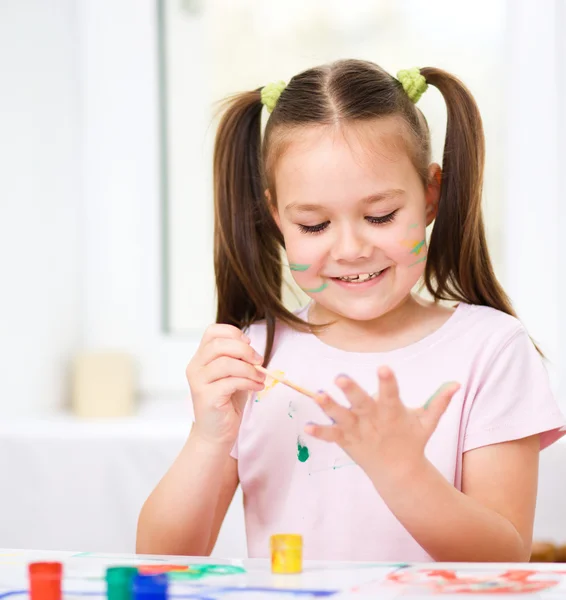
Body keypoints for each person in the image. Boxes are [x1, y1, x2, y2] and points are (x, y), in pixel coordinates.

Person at [137, 60, 565, 562]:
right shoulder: (254, 358)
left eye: (380, 216)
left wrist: (404, 473)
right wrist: (209, 438)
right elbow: (160, 561)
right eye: (314, 225)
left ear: (430, 196)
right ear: (278, 217)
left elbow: (504, 560)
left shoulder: (490, 350)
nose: (350, 248)